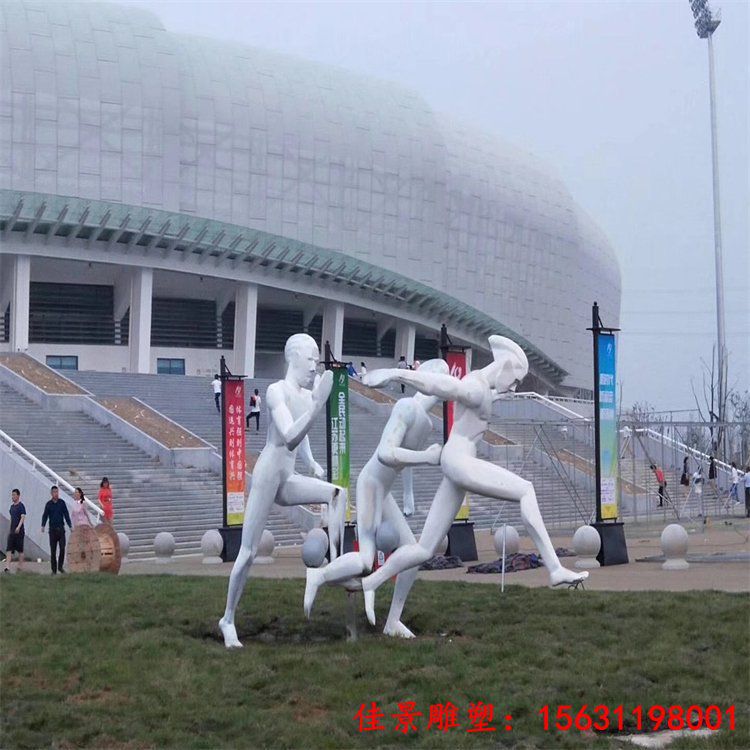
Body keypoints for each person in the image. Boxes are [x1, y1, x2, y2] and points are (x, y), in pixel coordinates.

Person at [359, 335, 587, 628]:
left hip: (456, 465)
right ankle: (554, 568)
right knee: (525, 490)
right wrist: (395, 374)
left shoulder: (483, 389)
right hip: (459, 463)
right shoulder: (475, 387)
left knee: (423, 549)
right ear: (505, 367)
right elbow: (442, 386)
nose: (515, 387)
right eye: (515, 380)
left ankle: (373, 585)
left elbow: (479, 401)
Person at [219, 333, 347, 649]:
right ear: (292, 357)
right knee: (248, 552)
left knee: (337, 494)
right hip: (268, 475)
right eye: (310, 359)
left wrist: (312, 463)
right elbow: (289, 435)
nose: (314, 366)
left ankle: (336, 566)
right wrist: (317, 406)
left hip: (288, 477)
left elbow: (302, 439)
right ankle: (228, 619)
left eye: (317, 360)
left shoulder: (304, 396)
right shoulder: (276, 391)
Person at [303, 359, 448, 636]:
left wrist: (408, 495)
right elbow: (386, 453)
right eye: (437, 378)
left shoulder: (427, 423)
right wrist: (426, 457)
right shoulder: (406, 406)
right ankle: (318, 575)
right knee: (365, 560)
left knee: (413, 554)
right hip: (372, 484)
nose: (440, 387)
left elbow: (402, 464)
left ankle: (393, 620)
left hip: (386, 490)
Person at [41, 485, 72, 575]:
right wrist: (43, 525)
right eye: (54, 492)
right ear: (51, 493)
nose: (56, 494)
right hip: (52, 530)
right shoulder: (48, 504)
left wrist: (70, 525)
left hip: (61, 529)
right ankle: (54, 570)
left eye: (57, 492)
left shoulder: (62, 503)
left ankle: (60, 566)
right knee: (53, 551)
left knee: (62, 548)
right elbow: (45, 515)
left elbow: (66, 514)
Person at [4, 489, 26, 573]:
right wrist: (10, 529)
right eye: (12, 495)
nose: (13, 496)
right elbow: (11, 518)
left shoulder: (21, 506)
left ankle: (20, 567)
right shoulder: (11, 507)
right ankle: (7, 567)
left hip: (19, 532)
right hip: (12, 531)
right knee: (9, 549)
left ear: (18, 496)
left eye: (14, 495)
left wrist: (18, 527)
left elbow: (22, 517)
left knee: (20, 550)